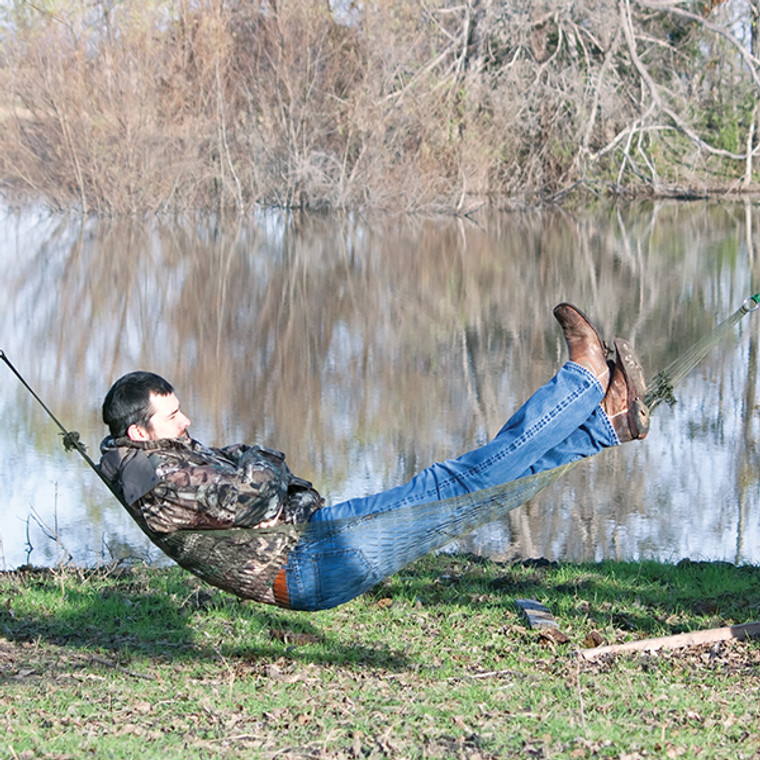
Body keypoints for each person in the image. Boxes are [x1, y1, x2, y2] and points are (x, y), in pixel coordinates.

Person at [99, 304, 650, 611]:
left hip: (312, 551)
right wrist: (262, 460)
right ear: (139, 429)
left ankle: (607, 423)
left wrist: (260, 469)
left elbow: (253, 482)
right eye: (173, 417)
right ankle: (583, 381)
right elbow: (254, 487)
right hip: (306, 562)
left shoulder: (156, 458)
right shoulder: (153, 473)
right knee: (450, 485)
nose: (186, 422)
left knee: (467, 497)